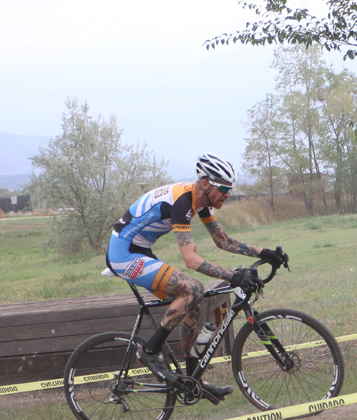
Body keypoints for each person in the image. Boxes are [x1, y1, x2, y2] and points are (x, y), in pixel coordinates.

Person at [107, 152, 288, 398]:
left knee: (193, 304)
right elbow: (190, 259)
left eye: (230, 188)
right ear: (205, 183)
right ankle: (149, 351)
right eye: (224, 188)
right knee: (193, 289)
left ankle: (193, 381)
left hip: (140, 250)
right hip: (124, 254)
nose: (228, 193)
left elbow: (223, 241)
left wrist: (265, 252)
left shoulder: (200, 202)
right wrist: (232, 276)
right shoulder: (182, 202)